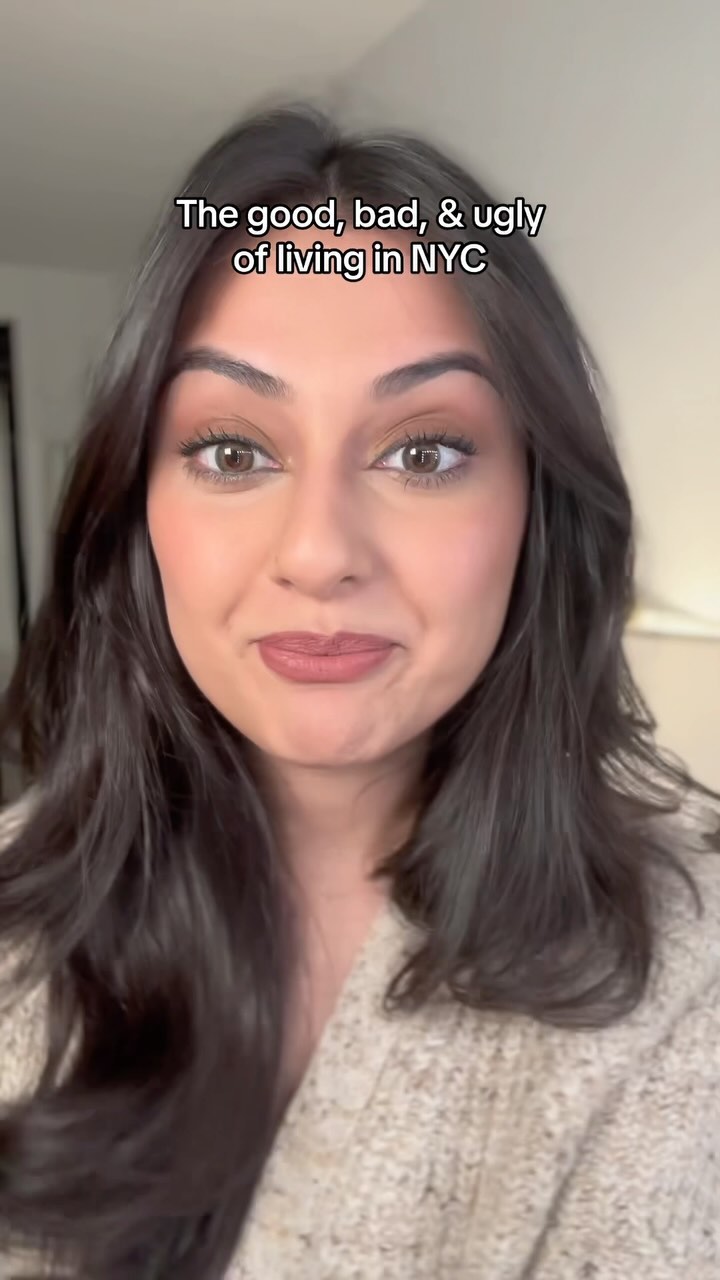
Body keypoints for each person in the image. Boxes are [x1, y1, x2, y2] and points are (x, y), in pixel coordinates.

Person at [0, 102, 718, 1280]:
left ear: (538, 508)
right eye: (232, 450)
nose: (320, 552)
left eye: (423, 451)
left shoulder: (694, 966)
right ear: (136, 512)